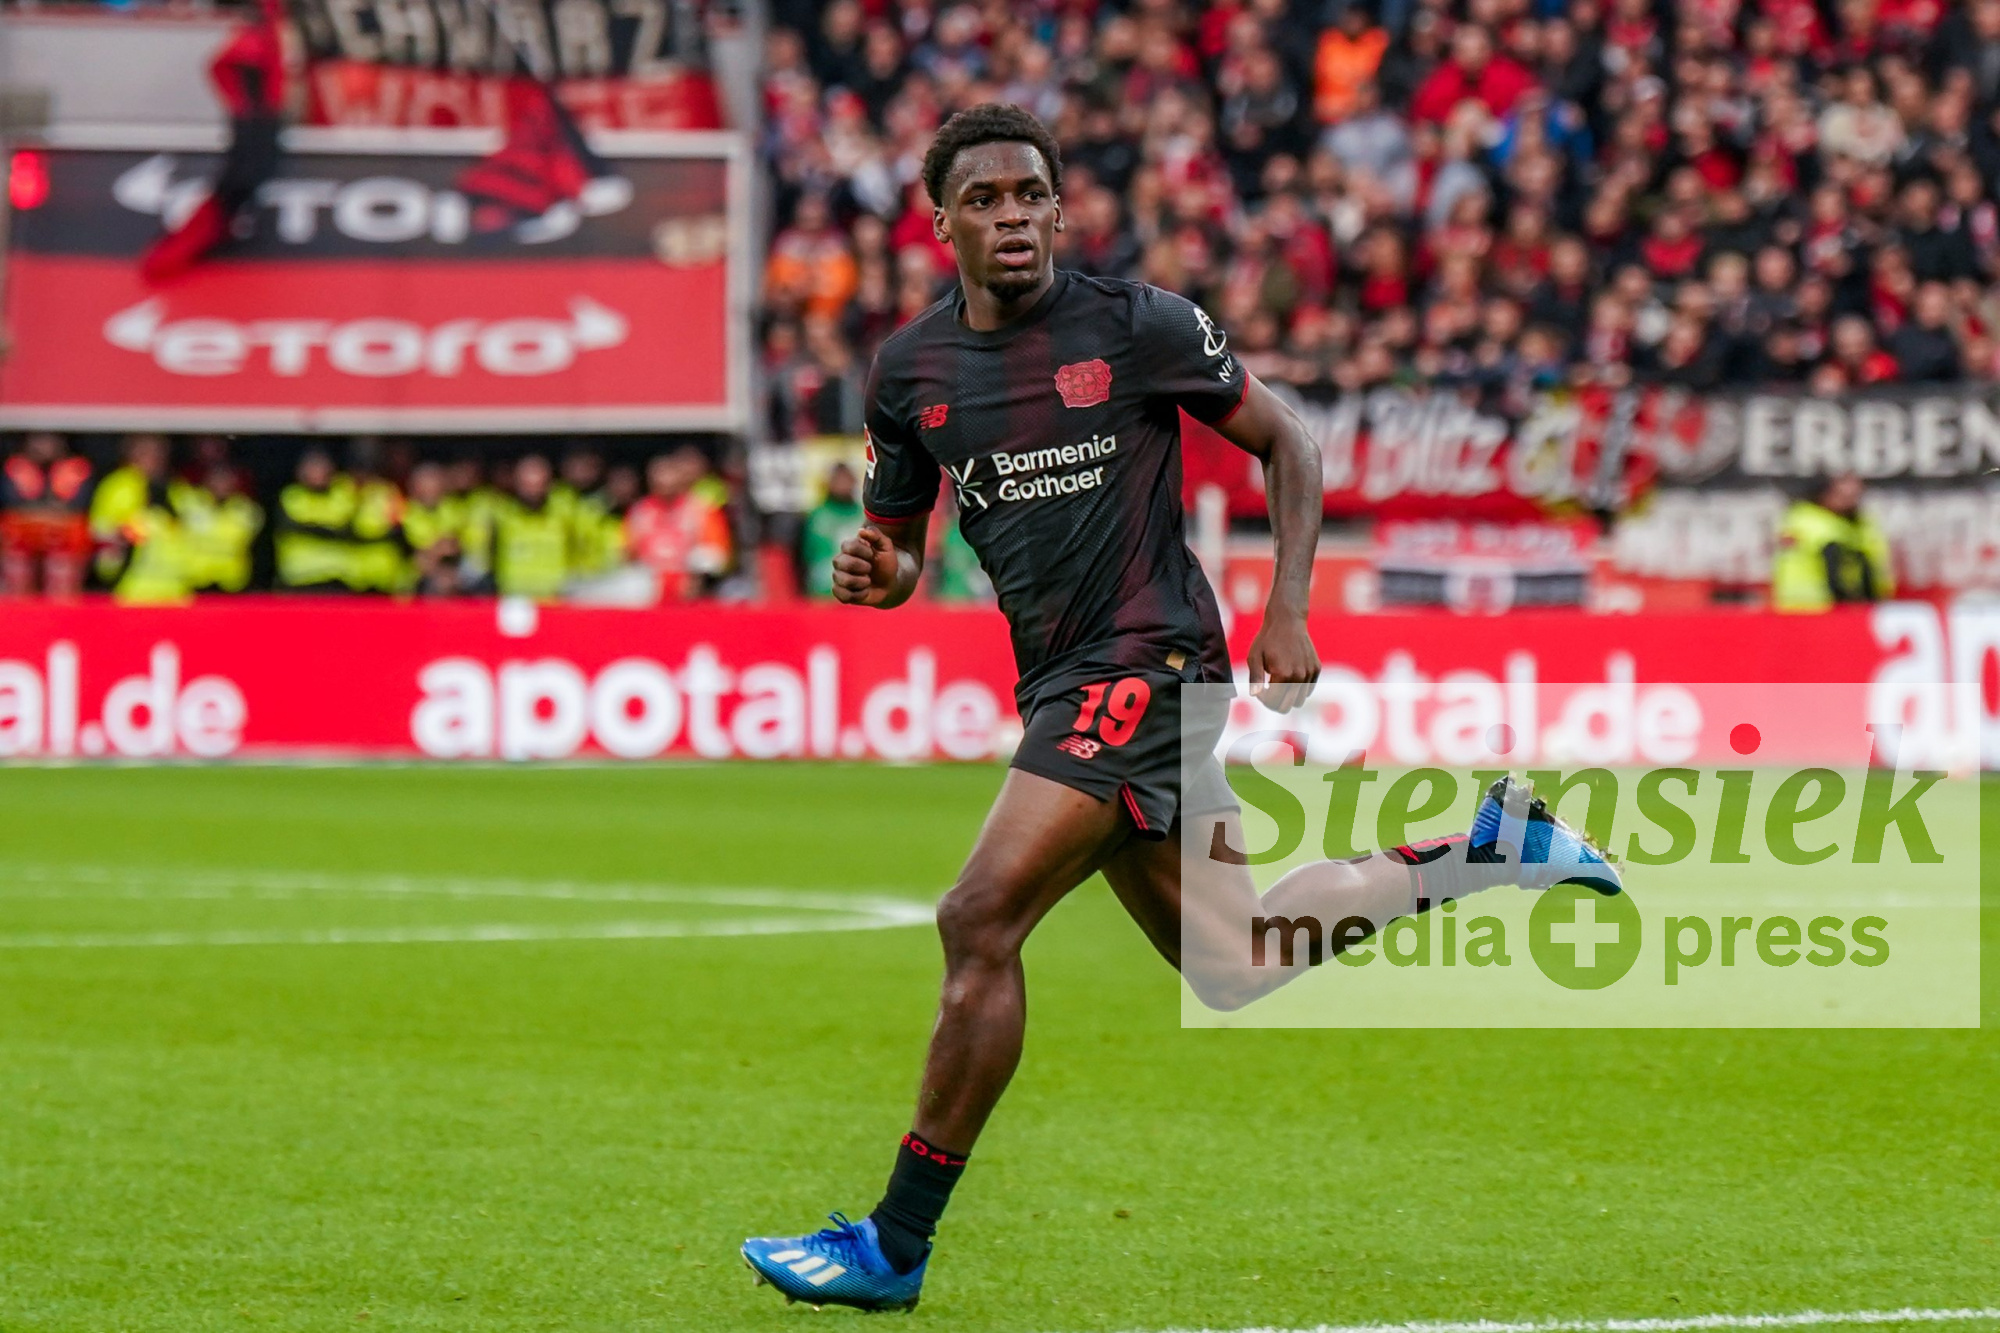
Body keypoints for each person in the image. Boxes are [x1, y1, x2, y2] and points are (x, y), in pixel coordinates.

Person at [740, 104, 1621, 1315]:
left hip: (1148, 661)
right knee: (1234, 959)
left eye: (1030, 195)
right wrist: (871, 570)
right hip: (1064, 677)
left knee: (976, 916)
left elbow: (1287, 439)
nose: (1011, 216)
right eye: (984, 199)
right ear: (940, 223)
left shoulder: (1135, 323)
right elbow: (895, 549)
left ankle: (892, 1243)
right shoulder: (908, 372)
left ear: (1059, 209)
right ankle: (1486, 846)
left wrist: (1287, 607)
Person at [1772, 472, 1895, 611]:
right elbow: (1833, 563)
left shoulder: (1860, 523)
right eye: (1843, 495)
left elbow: (1871, 565)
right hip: (1815, 606)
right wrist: (1847, 601)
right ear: (1825, 492)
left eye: (1855, 495)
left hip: (1840, 606)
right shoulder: (1811, 520)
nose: (1849, 501)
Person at [625, 448, 732, 602]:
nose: (664, 480)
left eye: (669, 473)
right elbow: (628, 553)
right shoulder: (639, 511)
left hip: (691, 586)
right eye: (659, 474)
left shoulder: (701, 509)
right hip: (647, 587)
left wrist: (696, 575)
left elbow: (718, 555)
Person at [1, 432, 92, 598]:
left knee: (61, 571)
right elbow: (11, 506)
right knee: (16, 567)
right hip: (22, 535)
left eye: (51, 439)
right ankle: (19, 608)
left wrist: (47, 516)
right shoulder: (15, 467)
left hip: (64, 535)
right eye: (39, 439)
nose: (45, 445)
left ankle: (62, 610)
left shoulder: (76, 468)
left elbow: (79, 507)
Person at [275, 449, 359, 592]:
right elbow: (288, 527)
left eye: (322, 468)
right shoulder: (292, 496)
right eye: (313, 468)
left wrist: (310, 529)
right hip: (299, 578)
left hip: (337, 578)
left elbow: (351, 530)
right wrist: (327, 531)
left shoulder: (343, 494)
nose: (318, 473)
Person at [490, 454, 570, 599]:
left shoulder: (564, 514)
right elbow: (490, 558)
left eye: (538, 485)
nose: (532, 491)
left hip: (555, 599)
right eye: (526, 485)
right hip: (514, 599)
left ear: (549, 484)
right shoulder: (502, 516)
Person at [797, 461, 863, 598]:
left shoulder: (863, 516)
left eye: (846, 479)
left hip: (858, 592)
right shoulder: (817, 516)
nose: (843, 484)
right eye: (838, 480)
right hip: (823, 590)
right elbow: (805, 555)